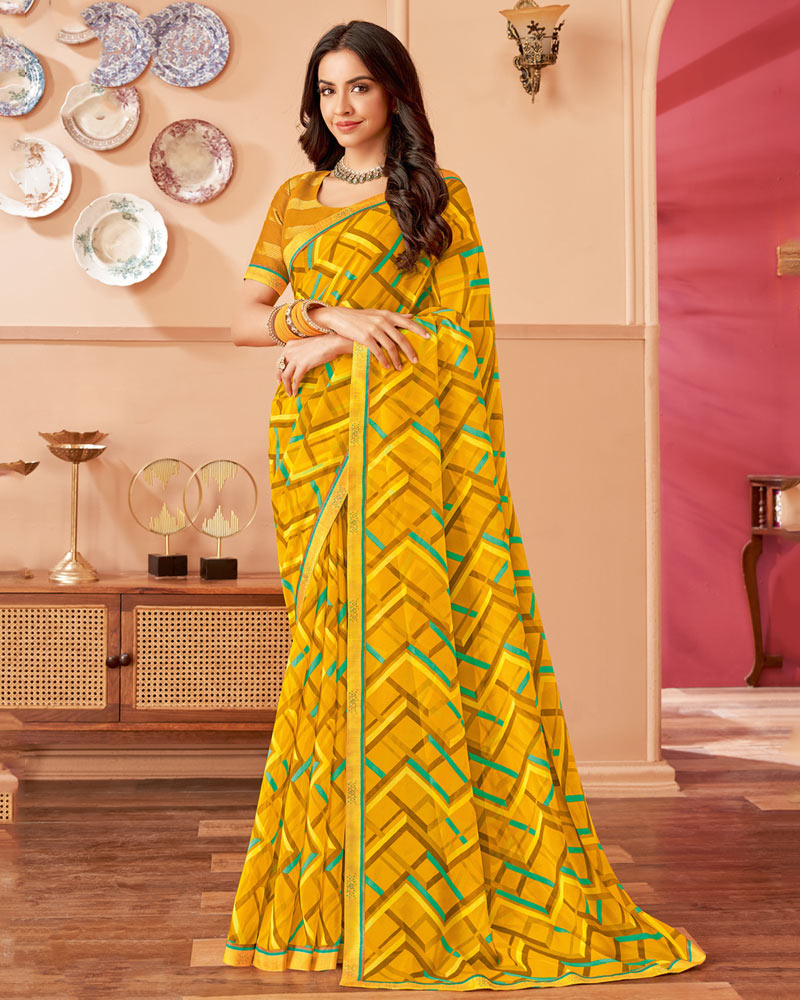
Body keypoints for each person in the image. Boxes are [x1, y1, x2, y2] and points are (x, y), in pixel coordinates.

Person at [222, 18, 707, 992]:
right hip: (313, 451)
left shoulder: (439, 196)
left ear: (394, 92)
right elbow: (243, 320)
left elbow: (461, 335)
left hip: (404, 457)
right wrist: (327, 315)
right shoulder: (293, 198)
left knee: (405, 649)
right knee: (330, 655)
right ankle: (323, 902)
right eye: (327, 90)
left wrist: (334, 343)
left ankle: (418, 887)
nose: (342, 106)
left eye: (360, 86)